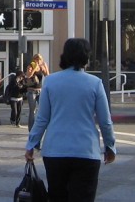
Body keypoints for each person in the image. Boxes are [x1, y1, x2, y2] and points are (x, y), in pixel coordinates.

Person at [25, 38, 116, 202]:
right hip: (86, 152)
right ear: (86, 58)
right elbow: (105, 121)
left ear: (64, 56)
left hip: (55, 152)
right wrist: (110, 146)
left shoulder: (51, 82)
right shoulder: (95, 83)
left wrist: (32, 143)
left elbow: (42, 119)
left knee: (57, 196)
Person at [25, 53, 50, 131]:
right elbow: (28, 76)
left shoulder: (41, 66)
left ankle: (43, 126)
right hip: (31, 91)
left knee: (43, 108)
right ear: (34, 59)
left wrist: (45, 68)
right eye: (37, 59)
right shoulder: (31, 66)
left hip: (39, 90)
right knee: (32, 110)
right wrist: (34, 69)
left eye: (39, 59)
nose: (38, 61)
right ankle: (31, 129)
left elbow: (48, 77)